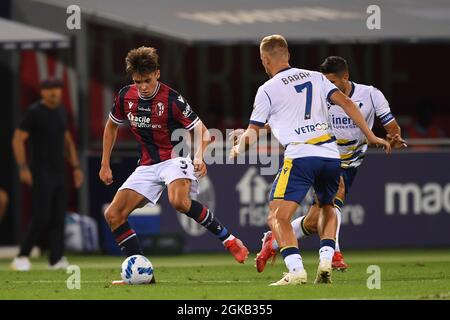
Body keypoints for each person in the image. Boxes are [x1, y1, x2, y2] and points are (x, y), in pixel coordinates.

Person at [230, 35, 390, 285]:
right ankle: (326, 260)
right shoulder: (316, 77)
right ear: (288, 55)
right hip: (330, 153)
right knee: (328, 207)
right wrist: (371, 135)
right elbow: (347, 102)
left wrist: (238, 148)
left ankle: (295, 271)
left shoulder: (267, 90)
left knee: (276, 217)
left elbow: (252, 131)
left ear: (264, 60)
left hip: (301, 155)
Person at [100, 46, 249, 283]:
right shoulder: (125, 96)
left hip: (173, 159)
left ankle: (229, 240)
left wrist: (199, 156)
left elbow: (201, 131)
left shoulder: (172, 99)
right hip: (147, 165)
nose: (143, 87)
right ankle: (141, 273)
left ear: (157, 74)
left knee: (178, 201)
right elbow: (111, 127)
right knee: (114, 214)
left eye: (147, 80)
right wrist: (105, 163)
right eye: (138, 82)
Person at [255, 56, 407, 273]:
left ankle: (275, 240)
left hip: (351, 162)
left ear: (346, 77)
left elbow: (391, 125)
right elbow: (289, 118)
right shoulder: (321, 90)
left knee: (313, 221)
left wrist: (394, 136)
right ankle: (332, 254)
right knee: (335, 199)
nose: (330, 86)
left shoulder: (371, 95)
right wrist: (255, 130)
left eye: (334, 82)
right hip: (325, 155)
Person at [11, 78, 84, 271]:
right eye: (49, 89)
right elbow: (18, 139)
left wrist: (76, 167)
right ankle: (22, 256)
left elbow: (67, 140)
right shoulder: (34, 112)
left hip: (60, 172)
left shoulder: (61, 111)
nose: (54, 93)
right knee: (41, 216)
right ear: (42, 92)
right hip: (40, 172)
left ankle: (56, 259)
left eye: (57, 89)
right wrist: (23, 167)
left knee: (59, 217)